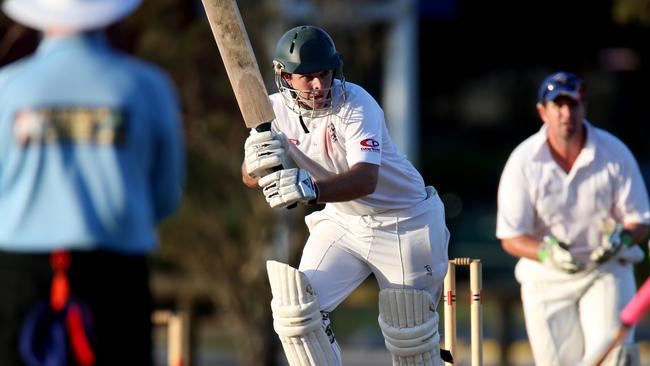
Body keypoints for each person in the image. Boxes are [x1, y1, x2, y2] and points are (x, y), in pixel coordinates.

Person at [241, 25, 449, 366]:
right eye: (307, 77)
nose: (320, 86)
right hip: (344, 222)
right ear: (285, 76)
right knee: (297, 311)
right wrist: (252, 166)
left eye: (324, 74)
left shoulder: (356, 103)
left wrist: (310, 188)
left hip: (406, 221)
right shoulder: (273, 111)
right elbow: (251, 174)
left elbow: (365, 179)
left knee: (410, 333)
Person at [0, 0, 185, 365]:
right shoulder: (148, 86)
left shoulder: (8, 87)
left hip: (18, 279)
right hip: (117, 280)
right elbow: (165, 196)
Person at [496, 71, 650, 366]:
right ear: (543, 111)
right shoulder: (524, 160)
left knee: (612, 357)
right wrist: (545, 251)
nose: (567, 113)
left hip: (604, 269)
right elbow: (511, 236)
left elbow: (639, 219)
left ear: (584, 107)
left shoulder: (614, 153)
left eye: (574, 104)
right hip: (547, 273)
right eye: (559, 105)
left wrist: (623, 238)